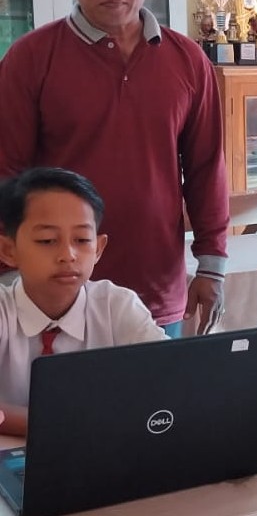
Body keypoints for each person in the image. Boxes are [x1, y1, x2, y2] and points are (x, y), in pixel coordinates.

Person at [0, 0, 229, 338]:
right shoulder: (29, 59)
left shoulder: (189, 62)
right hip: (57, 296)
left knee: (158, 385)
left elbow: (206, 168)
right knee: (54, 386)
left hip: (157, 292)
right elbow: (6, 174)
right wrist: (10, 277)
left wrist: (212, 265)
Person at [0, 167, 169, 436]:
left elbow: (170, 378)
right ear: (8, 250)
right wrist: (62, 426)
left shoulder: (117, 306)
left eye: (81, 240)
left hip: (103, 450)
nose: (68, 255)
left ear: (98, 248)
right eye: (47, 240)